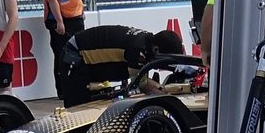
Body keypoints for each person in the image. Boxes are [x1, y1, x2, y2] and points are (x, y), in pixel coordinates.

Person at [55, 24, 186, 107]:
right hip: (74, 55)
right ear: (157, 50)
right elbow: (142, 84)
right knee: (78, 109)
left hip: (85, 56)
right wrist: (168, 95)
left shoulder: (147, 42)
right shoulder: (138, 50)